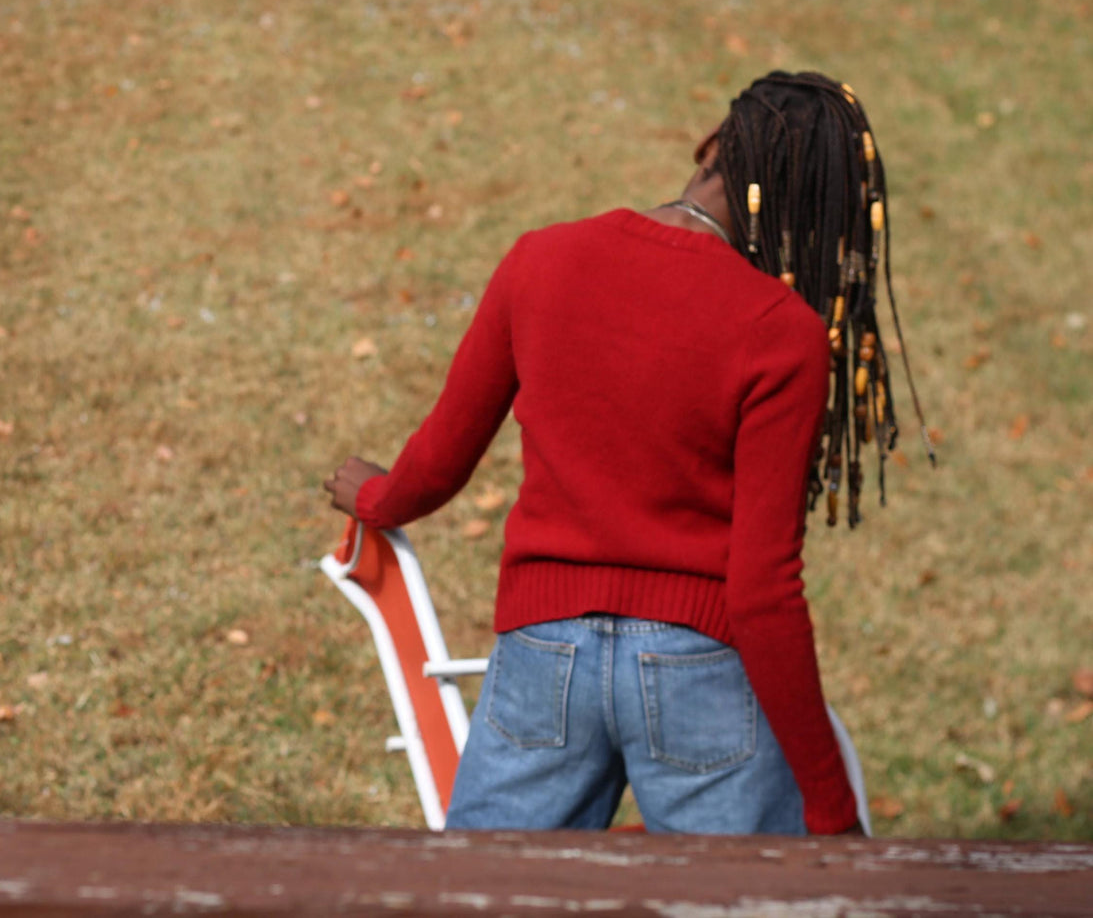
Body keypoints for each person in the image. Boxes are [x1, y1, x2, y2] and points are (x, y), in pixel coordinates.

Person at [324, 72, 931, 836]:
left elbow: (439, 462)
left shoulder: (540, 259)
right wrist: (830, 802)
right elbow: (760, 589)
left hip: (542, 655)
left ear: (711, 145)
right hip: (698, 673)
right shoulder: (782, 332)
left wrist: (378, 498)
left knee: (476, 891)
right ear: (814, 215)